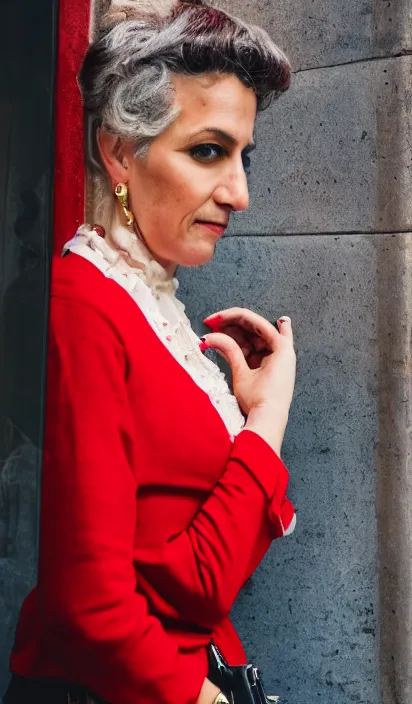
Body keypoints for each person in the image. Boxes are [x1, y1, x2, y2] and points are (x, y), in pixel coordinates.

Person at [3, 2, 297, 703]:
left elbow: (202, 582)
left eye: (243, 156)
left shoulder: (148, 308)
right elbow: (91, 611)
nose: (240, 193)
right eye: (208, 151)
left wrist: (261, 418)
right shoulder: (81, 308)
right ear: (118, 153)